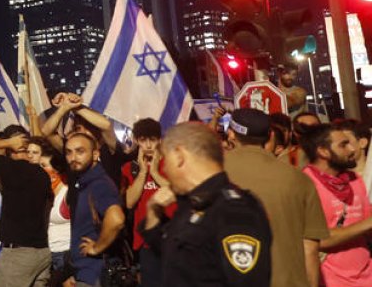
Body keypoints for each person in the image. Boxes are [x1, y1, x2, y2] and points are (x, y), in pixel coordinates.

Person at [143, 122, 271, 285]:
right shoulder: (193, 205)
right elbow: (172, 257)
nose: (165, 170)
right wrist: (153, 211)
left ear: (179, 156)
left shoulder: (235, 212)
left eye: (165, 160)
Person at [223, 108, 328, 287]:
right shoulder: (298, 179)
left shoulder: (211, 173)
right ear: (270, 135)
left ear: (231, 133)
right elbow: (310, 247)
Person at [0, 126, 53, 286]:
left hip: (18, 256)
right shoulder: (42, 174)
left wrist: (9, 142)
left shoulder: (14, 168)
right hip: (42, 252)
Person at [302, 124, 372, 286]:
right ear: (323, 151)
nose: (352, 149)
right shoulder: (305, 184)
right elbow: (316, 240)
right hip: (331, 279)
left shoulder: (354, 179)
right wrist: (367, 224)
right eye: (343, 145)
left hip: (366, 276)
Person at [65, 132, 124, 287]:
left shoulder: (98, 183)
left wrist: (97, 248)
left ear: (95, 154)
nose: (73, 157)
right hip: (84, 273)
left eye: (80, 151)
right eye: (69, 152)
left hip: (96, 274)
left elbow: (116, 219)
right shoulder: (83, 181)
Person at [119, 118, 169, 287]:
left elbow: (176, 193)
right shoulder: (129, 168)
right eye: (143, 140)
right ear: (136, 141)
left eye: (152, 140)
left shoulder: (170, 164)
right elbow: (129, 203)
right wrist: (142, 172)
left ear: (160, 140)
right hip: (144, 241)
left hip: (171, 237)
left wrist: (154, 172)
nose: (148, 145)